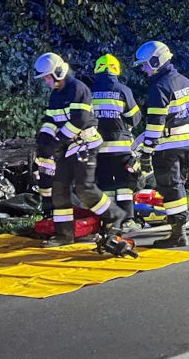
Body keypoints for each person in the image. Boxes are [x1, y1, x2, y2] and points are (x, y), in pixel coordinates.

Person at [34, 53, 126, 246]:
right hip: (67, 147)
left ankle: (114, 215)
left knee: (84, 188)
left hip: (85, 145)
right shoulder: (56, 95)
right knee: (59, 188)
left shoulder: (78, 89)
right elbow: (51, 119)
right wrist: (44, 136)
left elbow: (80, 119)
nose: (46, 81)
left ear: (59, 72)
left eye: (48, 77)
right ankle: (64, 235)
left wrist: (57, 140)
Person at [133, 41, 189, 248]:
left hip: (167, 145)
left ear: (156, 60)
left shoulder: (159, 87)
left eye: (145, 65)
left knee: (170, 188)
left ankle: (178, 233)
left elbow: (155, 125)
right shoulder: (187, 82)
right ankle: (179, 230)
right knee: (177, 185)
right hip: (186, 142)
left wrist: (146, 152)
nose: (144, 69)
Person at [91, 54, 141, 220]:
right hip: (121, 148)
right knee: (124, 186)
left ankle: (110, 221)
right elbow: (134, 118)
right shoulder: (123, 90)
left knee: (105, 185)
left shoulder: (89, 91)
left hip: (98, 148)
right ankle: (127, 220)